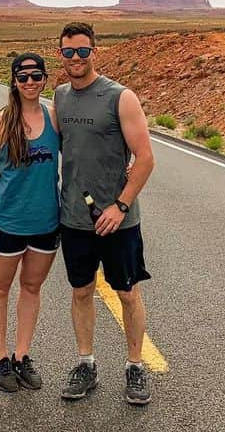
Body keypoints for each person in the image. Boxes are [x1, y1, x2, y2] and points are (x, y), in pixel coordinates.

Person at [54, 22, 156, 405]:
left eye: (83, 51)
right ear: (60, 55)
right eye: (69, 52)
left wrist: (121, 205)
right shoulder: (60, 97)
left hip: (119, 220)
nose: (76, 59)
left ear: (94, 52)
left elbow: (145, 159)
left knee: (127, 293)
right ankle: (86, 364)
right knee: (81, 291)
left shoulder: (120, 97)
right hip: (75, 219)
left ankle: (135, 367)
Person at [0, 52, 61, 392]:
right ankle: (0, 359)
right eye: (23, 76)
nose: (30, 82)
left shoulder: (54, 117)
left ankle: (22, 355)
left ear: (45, 78)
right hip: (7, 224)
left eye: (36, 75)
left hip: (45, 222)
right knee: (0, 288)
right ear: (13, 80)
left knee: (31, 288)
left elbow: (86, 150)